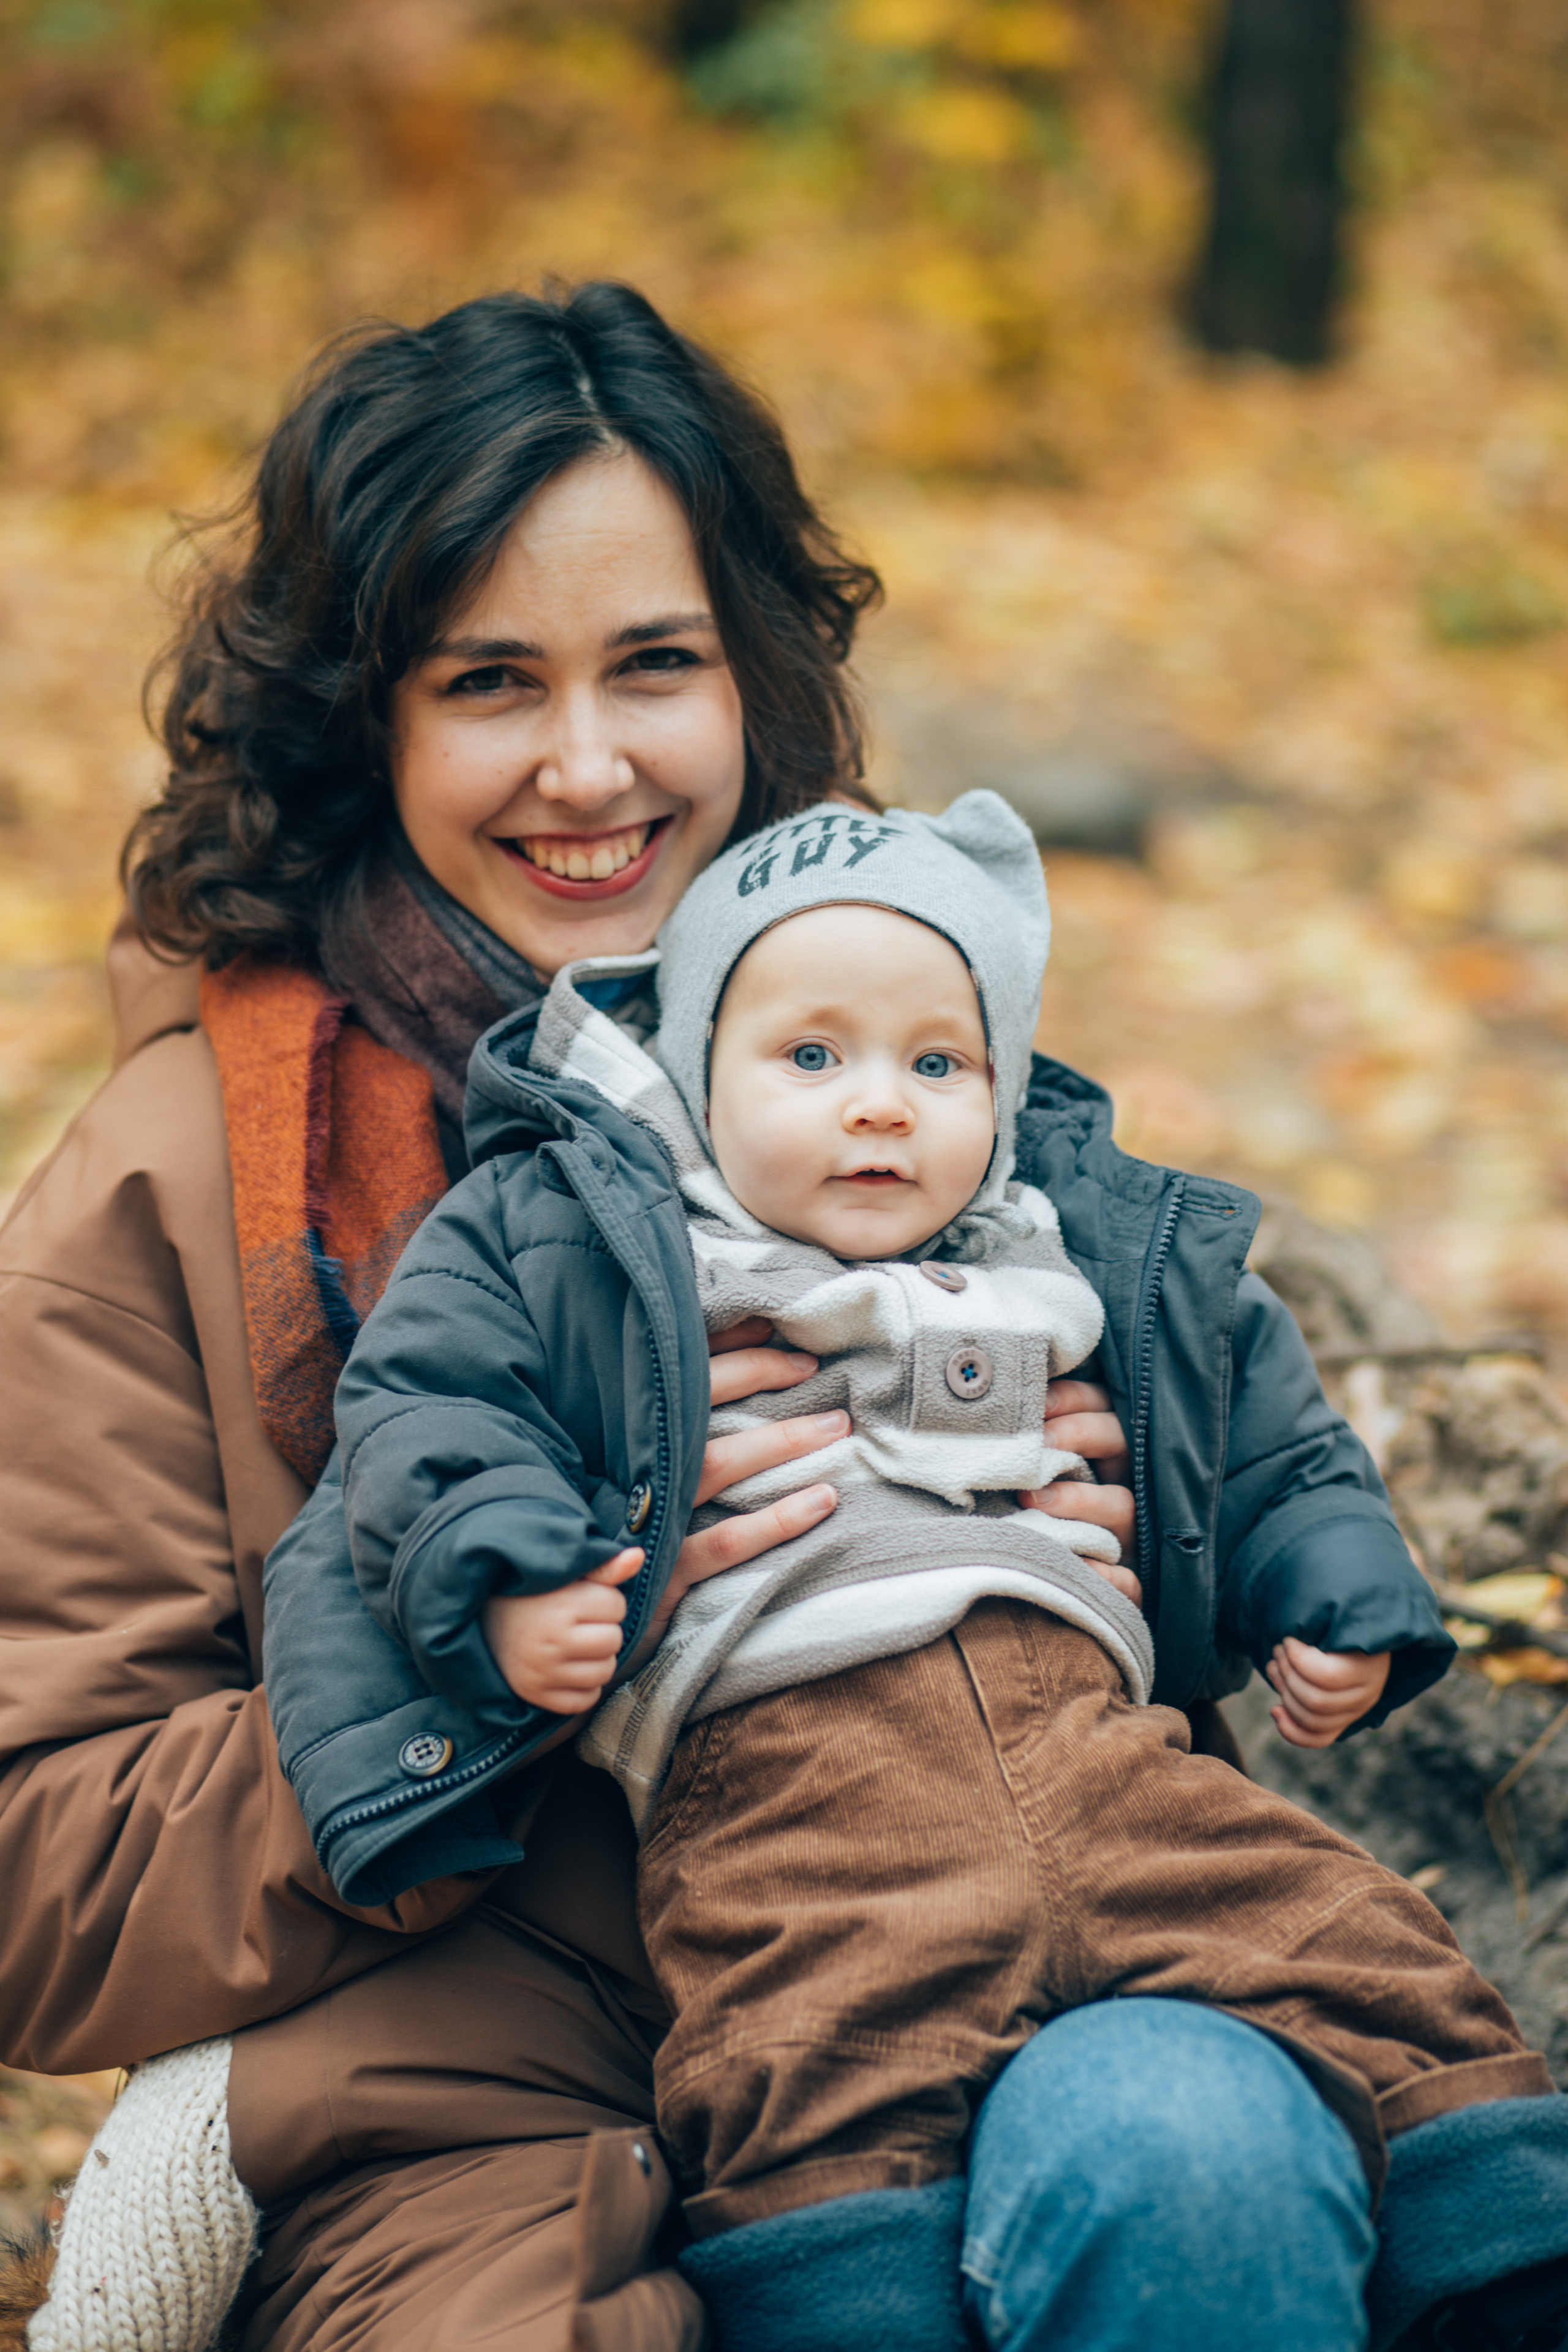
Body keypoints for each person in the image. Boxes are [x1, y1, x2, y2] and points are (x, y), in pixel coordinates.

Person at [2, 281, 1566, 2352]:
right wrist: (499, 1668)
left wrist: (1131, 1542)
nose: (589, 765)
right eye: (488, 682)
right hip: (480, 2122)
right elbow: (43, 1874)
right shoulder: (184, 1178)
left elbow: (1164, 1594)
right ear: (363, 723)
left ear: (757, 679)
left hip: (1003, 1967)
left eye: (657, 663)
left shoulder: (901, 1083)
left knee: (1190, 2157)